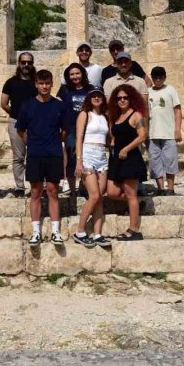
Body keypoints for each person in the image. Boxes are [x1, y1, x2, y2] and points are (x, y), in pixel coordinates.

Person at [17, 69, 68, 246]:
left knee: (53, 191)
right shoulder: (27, 105)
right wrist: (32, 143)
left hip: (53, 153)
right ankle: (36, 232)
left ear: (52, 84)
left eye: (47, 83)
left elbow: (65, 130)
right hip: (35, 154)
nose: (44, 86)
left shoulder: (59, 105)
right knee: (36, 191)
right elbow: (20, 129)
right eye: (41, 83)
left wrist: (53, 142)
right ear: (36, 84)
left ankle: (55, 232)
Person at [105, 84, 148, 241]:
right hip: (117, 159)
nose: (122, 100)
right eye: (119, 98)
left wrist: (126, 149)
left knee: (130, 194)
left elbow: (142, 136)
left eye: (125, 97)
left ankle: (134, 230)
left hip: (131, 159)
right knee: (112, 192)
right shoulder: (116, 117)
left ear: (131, 99)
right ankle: (136, 203)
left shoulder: (136, 115)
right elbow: (115, 135)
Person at [72, 87, 111, 248]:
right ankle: (80, 231)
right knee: (94, 195)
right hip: (88, 154)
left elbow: (108, 138)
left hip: (102, 155)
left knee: (100, 196)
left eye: (99, 96)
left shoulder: (104, 117)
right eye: (93, 96)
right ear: (89, 99)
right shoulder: (84, 115)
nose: (96, 98)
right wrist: (79, 161)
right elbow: (79, 138)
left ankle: (97, 234)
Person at [0, 52, 37, 195]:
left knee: (37, 155)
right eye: (23, 62)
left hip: (35, 123)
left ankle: (37, 185)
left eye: (29, 62)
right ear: (19, 64)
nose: (26, 65)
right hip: (15, 122)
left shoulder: (36, 82)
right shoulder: (11, 82)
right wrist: (17, 114)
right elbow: (3, 103)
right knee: (18, 156)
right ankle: (20, 187)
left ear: (32, 64)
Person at [56, 63, 92, 197]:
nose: (75, 76)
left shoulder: (90, 89)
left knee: (87, 157)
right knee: (71, 157)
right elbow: (57, 107)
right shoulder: (64, 90)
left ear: (82, 74)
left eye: (77, 73)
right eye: (72, 74)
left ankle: (84, 186)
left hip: (88, 128)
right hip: (70, 128)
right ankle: (72, 188)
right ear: (68, 76)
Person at [147, 66, 182, 194]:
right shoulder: (148, 91)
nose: (158, 79)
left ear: (165, 77)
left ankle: (170, 188)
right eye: (155, 76)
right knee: (155, 161)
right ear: (152, 77)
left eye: (160, 76)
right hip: (152, 133)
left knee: (170, 160)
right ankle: (160, 189)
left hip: (168, 132)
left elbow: (177, 110)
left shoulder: (171, 90)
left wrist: (177, 129)